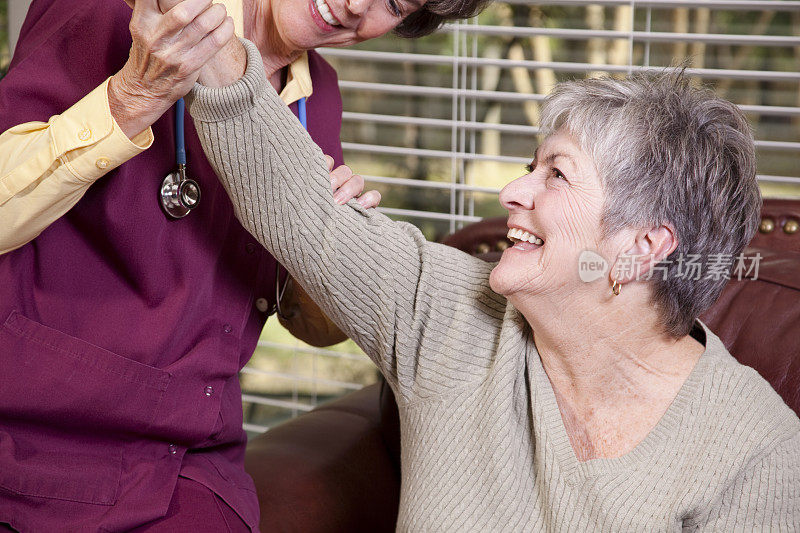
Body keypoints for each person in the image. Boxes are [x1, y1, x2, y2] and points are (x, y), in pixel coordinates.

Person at [186, 37, 800, 531]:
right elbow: (299, 213)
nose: (512, 193)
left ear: (642, 247)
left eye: (555, 175)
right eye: (529, 166)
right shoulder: (451, 313)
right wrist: (204, 37)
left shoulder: (754, 454)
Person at [0, 0, 486, 530]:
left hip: (190, 458)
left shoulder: (314, 100)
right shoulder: (110, 13)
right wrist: (131, 100)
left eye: (393, 3)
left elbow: (309, 326)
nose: (353, 5)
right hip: (35, 429)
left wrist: (332, 242)